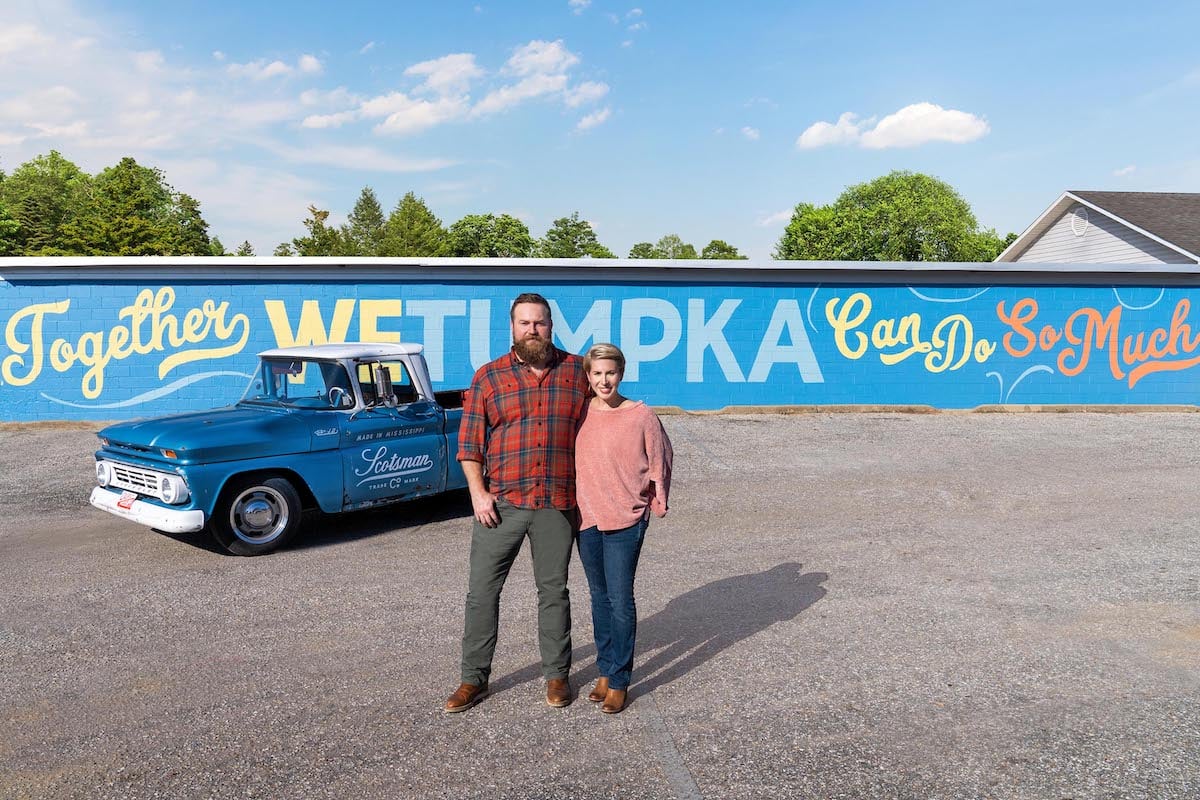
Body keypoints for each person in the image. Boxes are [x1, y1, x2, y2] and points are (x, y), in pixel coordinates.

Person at [444, 293, 589, 713]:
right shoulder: (488, 377)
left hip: (557, 502)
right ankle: (474, 679)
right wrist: (478, 492)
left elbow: (603, 424)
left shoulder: (576, 372)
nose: (532, 330)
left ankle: (557, 676)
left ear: (551, 326)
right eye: (524, 323)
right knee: (482, 594)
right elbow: (469, 443)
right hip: (501, 503)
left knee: (554, 592)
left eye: (539, 323)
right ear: (512, 327)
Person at [574, 343, 673, 714]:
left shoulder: (641, 414)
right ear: (588, 376)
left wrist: (656, 496)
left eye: (610, 373)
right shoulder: (581, 412)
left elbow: (662, 456)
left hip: (626, 518)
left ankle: (619, 679)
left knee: (619, 598)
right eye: (597, 374)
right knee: (598, 598)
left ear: (621, 373)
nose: (604, 380)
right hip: (586, 518)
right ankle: (604, 668)